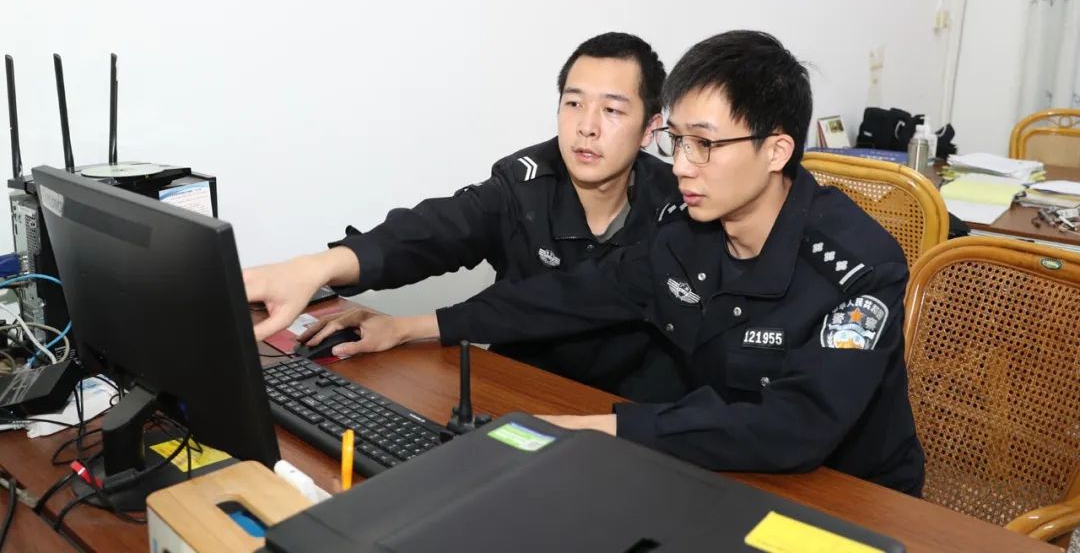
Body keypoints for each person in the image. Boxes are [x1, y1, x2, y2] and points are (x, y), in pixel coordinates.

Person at [319, 30, 925, 494]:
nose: (681, 165)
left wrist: (591, 429)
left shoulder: (858, 266)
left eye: (705, 144)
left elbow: (795, 426)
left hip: (849, 497)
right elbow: (572, 294)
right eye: (677, 140)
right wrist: (410, 327)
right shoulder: (690, 233)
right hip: (719, 468)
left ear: (777, 150)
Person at [244, 32, 683, 400]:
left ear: (650, 128)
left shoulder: (682, 205)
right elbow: (434, 231)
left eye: (612, 110)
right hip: (515, 398)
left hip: (634, 419)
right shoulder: (524, 180)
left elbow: (570, 299)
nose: (587, 126)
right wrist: (315, 268)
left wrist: (410, 326)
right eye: (573, 104)